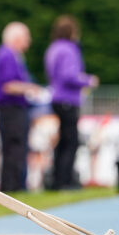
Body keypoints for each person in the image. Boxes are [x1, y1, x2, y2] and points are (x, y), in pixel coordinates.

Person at [44, 15, 99, 190]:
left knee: (62, 142)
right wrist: (88, 81)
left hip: (56, 97)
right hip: (68, 99)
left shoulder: (53, 48)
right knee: (71, 141)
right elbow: (69, 75)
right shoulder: (69, 49)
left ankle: (57, 179)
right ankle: (65, 181)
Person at [0, 22, 43, 192]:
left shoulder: (11, 55)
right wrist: (31, 88)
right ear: (17, 38)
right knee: (15, 148)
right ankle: (14, 187)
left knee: (14, 148)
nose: (29, 41)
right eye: (26, 37)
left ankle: (14, 186)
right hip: (11, 109)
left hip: (13, 109)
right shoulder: (7, 55)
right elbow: (8, 85)